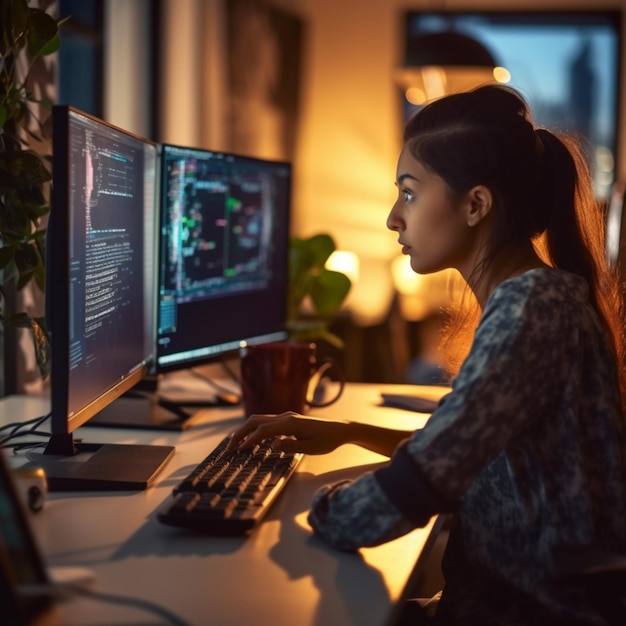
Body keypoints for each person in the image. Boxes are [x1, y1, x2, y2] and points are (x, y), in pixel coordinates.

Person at [225, 85, 626, 625]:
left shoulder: (533, 308)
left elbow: (416, 489)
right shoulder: (539, 295)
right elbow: (468, 448)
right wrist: (347, 431)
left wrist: (289, 509)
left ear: (476, 205)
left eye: (409, 193)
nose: (394, 217)